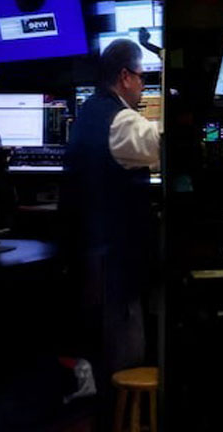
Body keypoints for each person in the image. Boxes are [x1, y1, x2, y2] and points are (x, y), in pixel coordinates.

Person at [61, 39, 160, 407]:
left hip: (89, 254)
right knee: (124, 367)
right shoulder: (121, 122)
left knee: (101, 356)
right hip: (115, 263)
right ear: (125, 76)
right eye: (143, 77)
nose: (145, 85)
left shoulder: (89, 112)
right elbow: (163, 145)